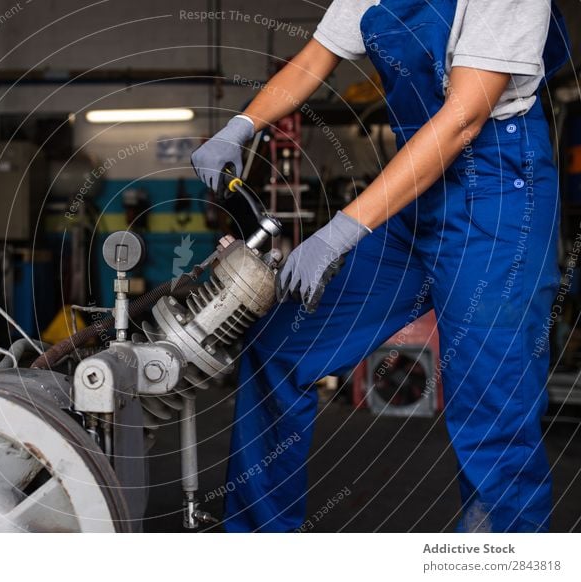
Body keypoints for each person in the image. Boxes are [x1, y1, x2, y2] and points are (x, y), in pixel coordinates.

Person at [190, 0, 570, 532]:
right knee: (280, 347)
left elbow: (463, 119)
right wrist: (241, 125)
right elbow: (314, 59)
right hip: (419, 183)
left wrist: (341, 231)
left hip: (498, 195)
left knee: (493, 409)